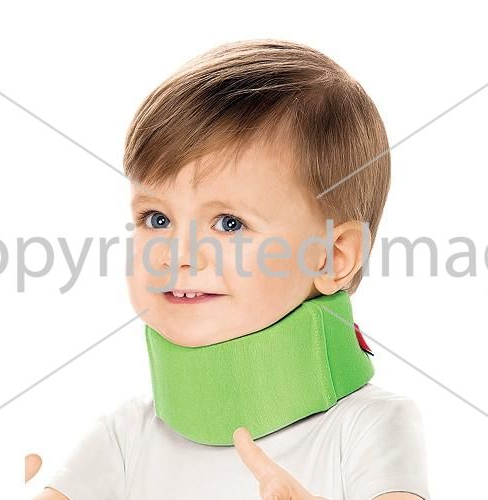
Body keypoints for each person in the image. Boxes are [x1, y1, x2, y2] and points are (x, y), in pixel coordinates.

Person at [26, 39, 431, 499]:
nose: (179, 254)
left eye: (229, 223)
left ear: (333, 257)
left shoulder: (370, 428)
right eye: (156, 219)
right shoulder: (121, 438)